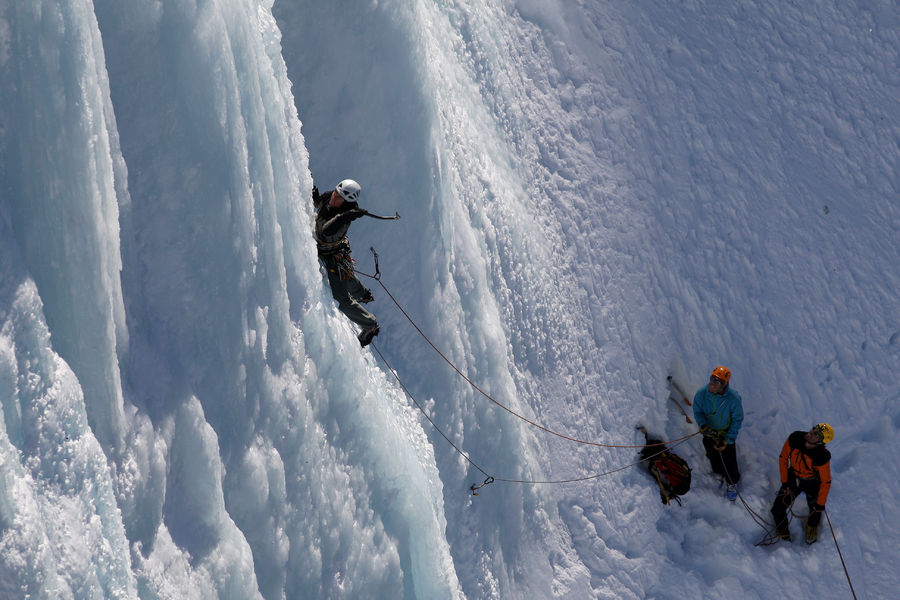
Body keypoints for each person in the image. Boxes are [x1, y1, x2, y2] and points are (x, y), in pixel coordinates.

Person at [312, 179, 380, 347]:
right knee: (345, 272)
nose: (334, 198)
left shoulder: (344, 220)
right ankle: (361, 293)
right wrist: (312, 190)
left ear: (347, 202)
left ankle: (370, 325)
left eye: (339, 197)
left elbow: (325, 230)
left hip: (333, 253)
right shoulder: (331, 198)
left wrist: (344, 216)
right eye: (336, 193)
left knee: (341, 298)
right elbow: (321, 203)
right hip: (337, 251)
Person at [770, 423, 833, 544]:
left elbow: (826, 481)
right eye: (813, 429)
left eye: (816, 434)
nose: (811, 432)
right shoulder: (795, 438)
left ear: (820, 441)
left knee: (815, 509)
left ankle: (811, 527)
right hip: (793, 478)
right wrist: (785, 483)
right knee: (777, 509)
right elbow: (783, 458)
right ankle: (784, 535)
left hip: (813, 481)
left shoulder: (821, 456)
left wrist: (820, 504)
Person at [692, 366, 744, 501]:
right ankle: (719, 472)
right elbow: (698, 411)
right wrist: (703, 424)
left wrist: (728, 439)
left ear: (725, 384)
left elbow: (737, 419)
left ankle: (732, 482)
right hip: (709, 432)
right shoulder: (701, 394)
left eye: (718, 381)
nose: (713, 383)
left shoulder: (733, 398)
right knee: (712, 454)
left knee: (729, 459)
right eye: (712, 379)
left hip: (725, 433)